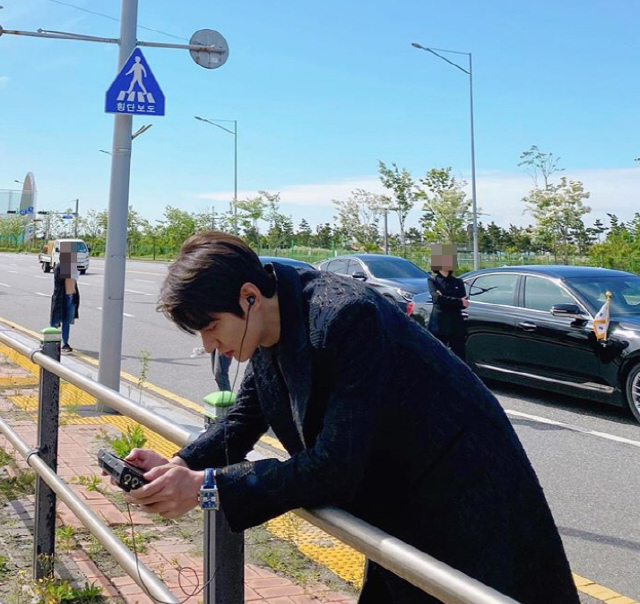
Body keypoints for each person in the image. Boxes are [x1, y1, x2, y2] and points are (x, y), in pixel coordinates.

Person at [119, 232, 579, 604]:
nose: (208, 346)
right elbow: (242, 420)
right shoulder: (269, 323)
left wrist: (208, 488)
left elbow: (334, 466)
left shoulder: (345, 316)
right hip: (400, 499)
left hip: (469, 499)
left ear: (249, 297)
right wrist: (178, 465)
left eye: (211, 327)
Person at [427, 244, 468, 362]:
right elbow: (437, 299)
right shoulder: (432, 280)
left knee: (459, 358)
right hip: (439, 325)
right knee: (438, 357)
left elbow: (464, 303)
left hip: (456, 325)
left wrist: (445, 298)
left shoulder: (458, 282)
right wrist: (457, 301)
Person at [50, 243, 80, 354]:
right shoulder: (59, 267)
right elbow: (61, 283)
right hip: (61, 298)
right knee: (55, 321)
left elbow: (73, 282)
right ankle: (51, 343)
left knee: (67, 322)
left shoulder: (72, 267)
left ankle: (65, 343)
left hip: (71, 298)